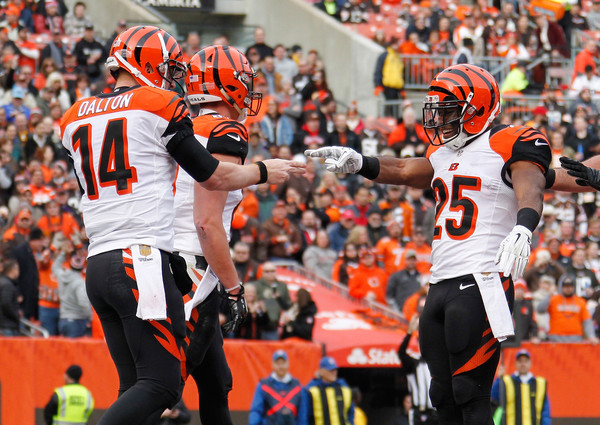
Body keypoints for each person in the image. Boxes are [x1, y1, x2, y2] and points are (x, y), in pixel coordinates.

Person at [60, 25, 303, 425]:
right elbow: (211, 190)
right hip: (151, 258)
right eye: (169, 68)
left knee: (207, 381)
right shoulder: (166, 109)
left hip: (103, 256)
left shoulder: (73, 115)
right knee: (162, 385)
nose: (175, 79)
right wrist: (264, 170)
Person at [306, 64, 551, 425]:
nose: (440, 119)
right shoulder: (442, 152)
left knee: (471, 391)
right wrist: (362, 163)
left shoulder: (509, 142)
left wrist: (524, 227)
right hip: (440, 283)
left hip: (481, 279)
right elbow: (406, 170)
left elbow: (532, 184)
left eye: (449, 110)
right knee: (442, 395)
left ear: (478, 108)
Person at [173, 44, 261, 425]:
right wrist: (234, 287)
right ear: (226, 84)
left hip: (168, 258)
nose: (248, 89)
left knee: (216, 382)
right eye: (243, 80)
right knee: (163, 387)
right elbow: (207, 222)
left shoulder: (184, 126)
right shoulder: (224, 129)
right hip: (192, 268)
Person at [490, 350, 551, 425]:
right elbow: (494, 398)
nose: (523, 364)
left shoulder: (540, 384)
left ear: (530, 363)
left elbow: (545, 413)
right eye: (520, 361)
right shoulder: (506, 382)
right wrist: (498, 378)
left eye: (525, 361)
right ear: (516, 363)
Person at [249, 350, 302, 425]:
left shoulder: (297, 386)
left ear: (288, 364)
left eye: (283, 363)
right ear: (272, 365)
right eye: (278, 363)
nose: (281, 366)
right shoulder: (263, 386)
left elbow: (302, 415)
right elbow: (256, 411)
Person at [298, 356, 354, 425]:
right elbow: (303, 417)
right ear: (321, 372)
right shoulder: (311, 391)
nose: (334, 373)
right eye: (330, 370)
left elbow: (351, 414)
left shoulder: (344, 389)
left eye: (335, 370)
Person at [250, 261, 292, 340]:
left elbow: (288, 304)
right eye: (267, 271)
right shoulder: (255, 285)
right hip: (257, 324)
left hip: (274, 325)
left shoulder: (282, 286)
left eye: (272, 271)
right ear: (262, 272)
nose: (270, 274)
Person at [0, 259, 21, 336]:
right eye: (17, 269)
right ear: (12, 270)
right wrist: (16, 315)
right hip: (7, 326)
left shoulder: (3, 282)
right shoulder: (7, 285)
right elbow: (6, 303)